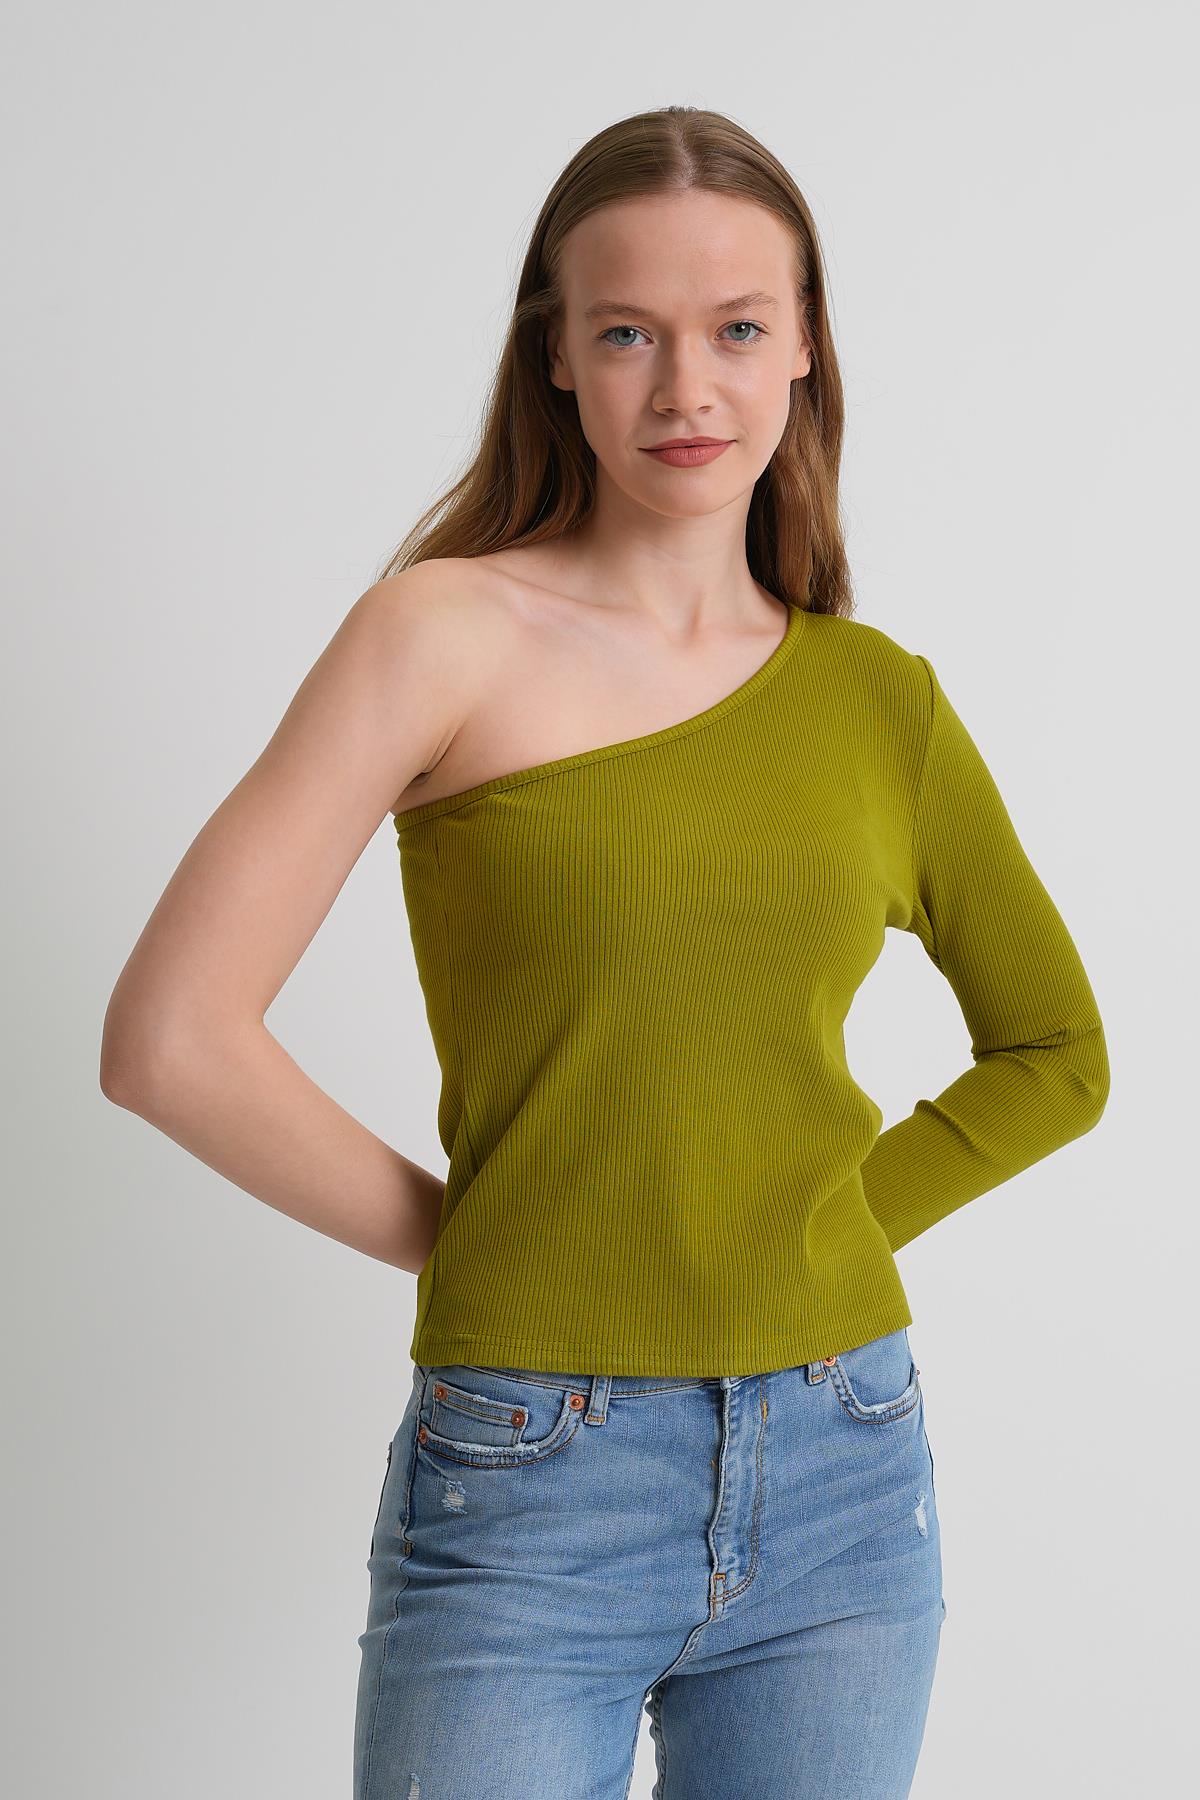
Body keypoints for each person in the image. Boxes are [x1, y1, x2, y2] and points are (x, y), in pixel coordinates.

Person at [101, 105, 1110, 1799]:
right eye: (629, 332)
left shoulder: (878, 702)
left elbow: (1059, 1057)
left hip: (848, 1475)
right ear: (555, 355)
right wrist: (482, 1240)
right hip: (530, 1470)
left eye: (738, 329)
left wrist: (812, 1236)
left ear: (806, 347)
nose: (686, 388)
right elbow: (169, 1040)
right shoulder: (441, 632)